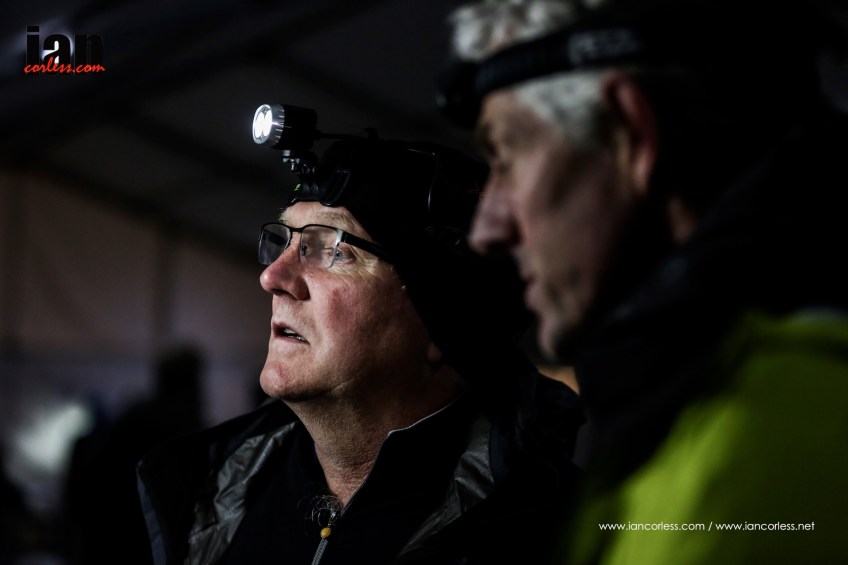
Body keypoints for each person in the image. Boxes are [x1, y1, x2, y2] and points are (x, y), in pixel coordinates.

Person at [437, 0, 848, 563]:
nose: (486, 230)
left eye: (506, 158)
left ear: (630, 133)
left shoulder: (764, 450)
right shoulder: (689, 414)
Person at [136, 112, 584, 564]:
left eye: (332, 250)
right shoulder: (204, 494)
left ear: (444, 324)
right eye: (286, 241)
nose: (272, 277)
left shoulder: (555, 533)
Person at [63, 344, 206, 565]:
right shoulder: (187, 428)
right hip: (149, 539)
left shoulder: (137, 418)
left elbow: (93, 474)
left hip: (123, 536)